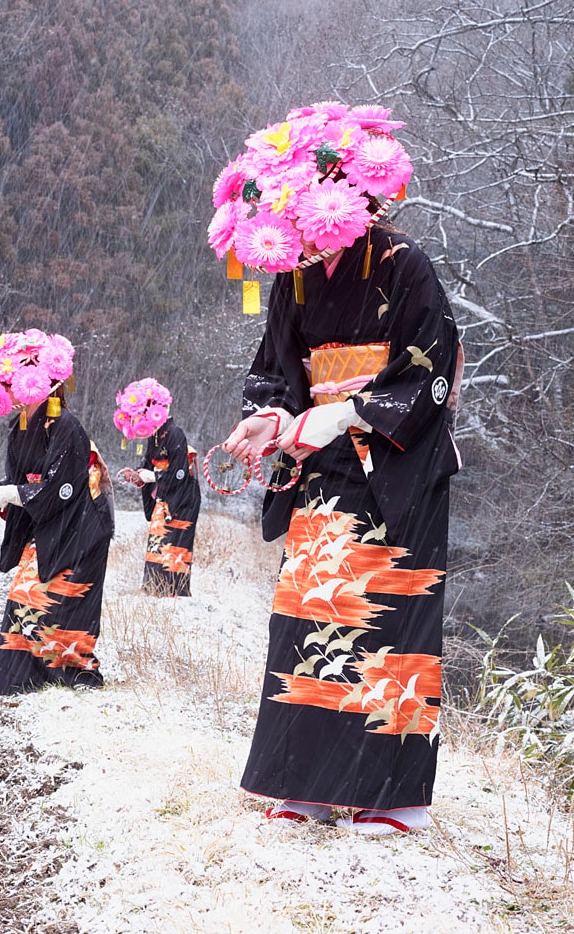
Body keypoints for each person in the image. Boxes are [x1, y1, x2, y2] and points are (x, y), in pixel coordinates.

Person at [211, 102, 462, 834]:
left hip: (396, 468)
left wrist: (350, 412)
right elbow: (274, 369)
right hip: (323, 467)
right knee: (313, 615)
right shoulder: (295, 279)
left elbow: (431, 371)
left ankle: (396, 798)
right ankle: (309, 783)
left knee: (388, 612)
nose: (307, 251)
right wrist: (269, 418)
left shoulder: (404, 265)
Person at [0, 328, 115, 695]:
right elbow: (18, 482)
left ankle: (75, 676)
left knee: (56, 604)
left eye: (9, 381)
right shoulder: (20, 427)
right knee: (25, 599)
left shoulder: (67, 426)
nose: (7, 390)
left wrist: (8, 493)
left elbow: (56, 490)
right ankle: (20, 683)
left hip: (79, 529)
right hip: (49, 526)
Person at [114, 378, 201, 597]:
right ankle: (154, 588)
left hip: (180, 500)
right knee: (157, 543)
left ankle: (172, 591)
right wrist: (136, 476)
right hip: (163, 499)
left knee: (173, 545)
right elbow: (146, 468)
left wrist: (153, 476)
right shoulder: (154, 438)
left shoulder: (175, 434)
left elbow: (180, 472)